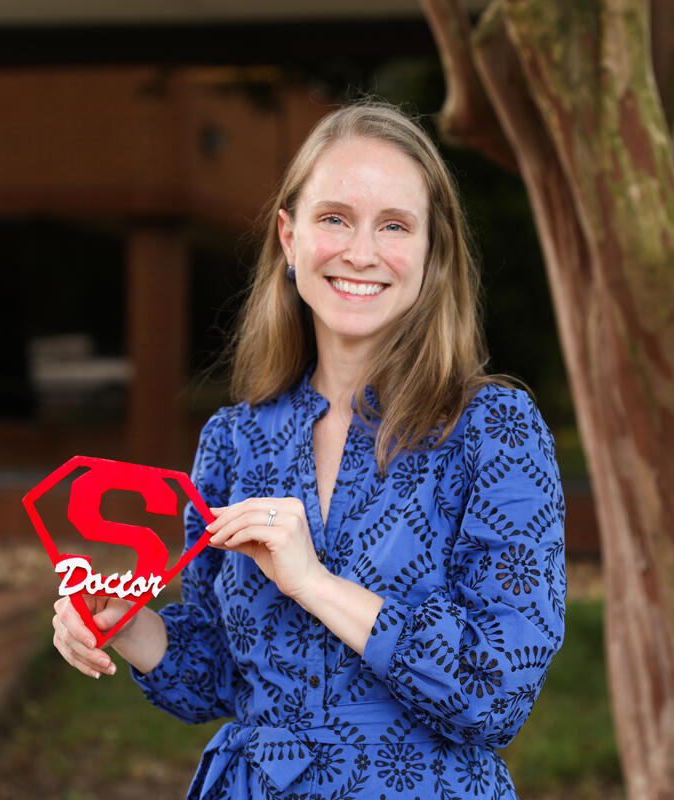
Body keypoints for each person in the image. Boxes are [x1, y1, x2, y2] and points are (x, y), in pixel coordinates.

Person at [52, 101, 566, 799]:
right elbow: (221, 679)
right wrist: (129, 625)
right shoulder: (234, 442)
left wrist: (315, 583)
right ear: (289, 239)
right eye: (334, 218)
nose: (360, 251)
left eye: (394, 225)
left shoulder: (492, 431)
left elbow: (496, 693)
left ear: (431, 252)